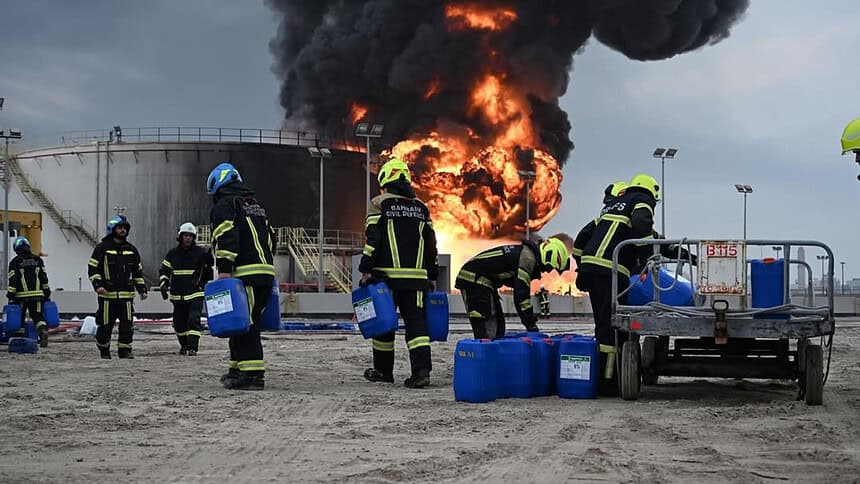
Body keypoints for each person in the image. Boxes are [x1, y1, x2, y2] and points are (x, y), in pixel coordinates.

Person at [575, 174, 658, 395]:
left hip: (592, 269)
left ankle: (607, 376)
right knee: (611, 328)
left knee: (603, 324)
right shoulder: (642, 199)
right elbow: (642, 224)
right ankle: (607, 383)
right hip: (610, 272)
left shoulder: (613, 206)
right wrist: (646, 257)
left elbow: (581, 238)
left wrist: (580, 268)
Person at [359, 158, 439, 389]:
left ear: (385, 179)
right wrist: (432, 275)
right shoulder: (421, 207)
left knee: (383, 325)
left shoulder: (379, 203)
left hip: (386, 280)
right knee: (417, 326)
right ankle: (421, 372)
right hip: (416, 280)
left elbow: (373, 239)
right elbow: (431, 245)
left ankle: (383, 371)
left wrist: (365, 269)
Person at [207, 162, 276, 390]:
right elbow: (271, 239)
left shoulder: (225, 205)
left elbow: (226, 236)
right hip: (265, 272)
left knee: (247, 325)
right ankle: (237, 369)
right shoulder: (257, 206)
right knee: (239, 321)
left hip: (244, 275)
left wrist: (224, 269)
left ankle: (253, 375)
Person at [455, 235, 571, 340]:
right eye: (549, 268)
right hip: (474, 280)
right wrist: (531, 325)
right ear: (549, 256)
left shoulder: (525, 254)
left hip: (483, 281)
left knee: (499, 328)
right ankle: (482, 354)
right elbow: (521, 296)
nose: (546, 271)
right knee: (488, 327)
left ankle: (489, 353)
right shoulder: (527, 259)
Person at [88, 216, 148, 359]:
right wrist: (98, 285)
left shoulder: (131, 250)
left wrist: (142, 289)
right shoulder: (102, 248)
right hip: (107, 296)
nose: (123, 230)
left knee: (127, 325)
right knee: (105, 325)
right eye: (120, 228)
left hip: (126, 296)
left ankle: (125, 350)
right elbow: (92, 269)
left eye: (125, 228)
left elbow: (137, 273)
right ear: (112, 229)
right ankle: (104, 349)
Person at [159, 222, 214, 356]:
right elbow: (164, 271)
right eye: (185, 235)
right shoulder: (172, 254)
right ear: (180, 236)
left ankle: (193, 347)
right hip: (178, 295)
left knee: (193, 320)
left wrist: (202, 284)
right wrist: (164, 284)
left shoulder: (201, 253)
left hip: (195, 293)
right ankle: (184, 345)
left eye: (190, 235)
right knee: (179, 324)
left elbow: (209, 272)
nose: (188, 238)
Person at [6, 236, 51, 347]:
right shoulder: (38, 260)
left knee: (19, 319)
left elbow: (13, 281)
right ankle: (43, 331)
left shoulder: (15, 262)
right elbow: (44, 278)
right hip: (37, 295)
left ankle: (19, 340)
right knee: (38, 317)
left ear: (16, 249)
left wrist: (10, 295)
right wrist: (47, 293)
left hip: (20, 297)